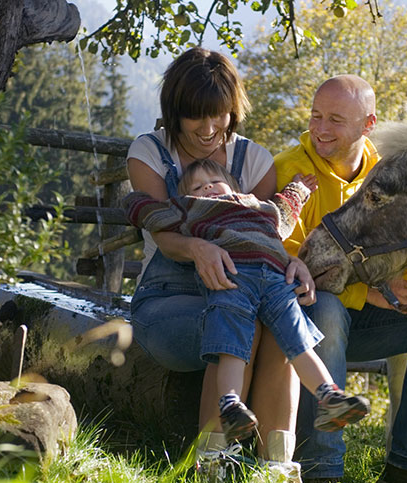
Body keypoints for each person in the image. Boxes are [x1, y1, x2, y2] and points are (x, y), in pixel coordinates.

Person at [274, 75, 407, 483]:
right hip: (303, 328)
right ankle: (319, 471)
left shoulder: (390, 175)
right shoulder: (290, 171)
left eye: (335, 120)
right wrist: (373, 293)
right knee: (325, 306)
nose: (320, 129)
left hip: (363, 323)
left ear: (368, 124)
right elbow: (289, 270)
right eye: (315, 116)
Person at [126, 47, 310, 460]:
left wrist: (292, 260)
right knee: (240, 320)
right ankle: (212, 463)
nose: (209, 128)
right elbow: (162, 230)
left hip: (241, 293)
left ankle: (273, 469)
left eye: (220, 114)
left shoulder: (255, 161)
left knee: (277, 322)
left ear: (233, 109)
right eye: (196, 115)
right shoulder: (149, 154)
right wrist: (198, 248)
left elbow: (267, 238)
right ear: (175, 111)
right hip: (169, 300)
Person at [125, 159, 370, 444]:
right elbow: (154, 214)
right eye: (198, 187)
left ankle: (329, 397)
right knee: (233, 343)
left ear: (233, 186)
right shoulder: (191, 209)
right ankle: (230, 404)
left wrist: (299, 189)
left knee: (297, 339)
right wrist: (134, 200)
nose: (208, 188)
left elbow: (284, 210)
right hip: (232, 280)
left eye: (214, 182)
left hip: (277, 281)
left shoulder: (258, 206)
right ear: (187, 197)